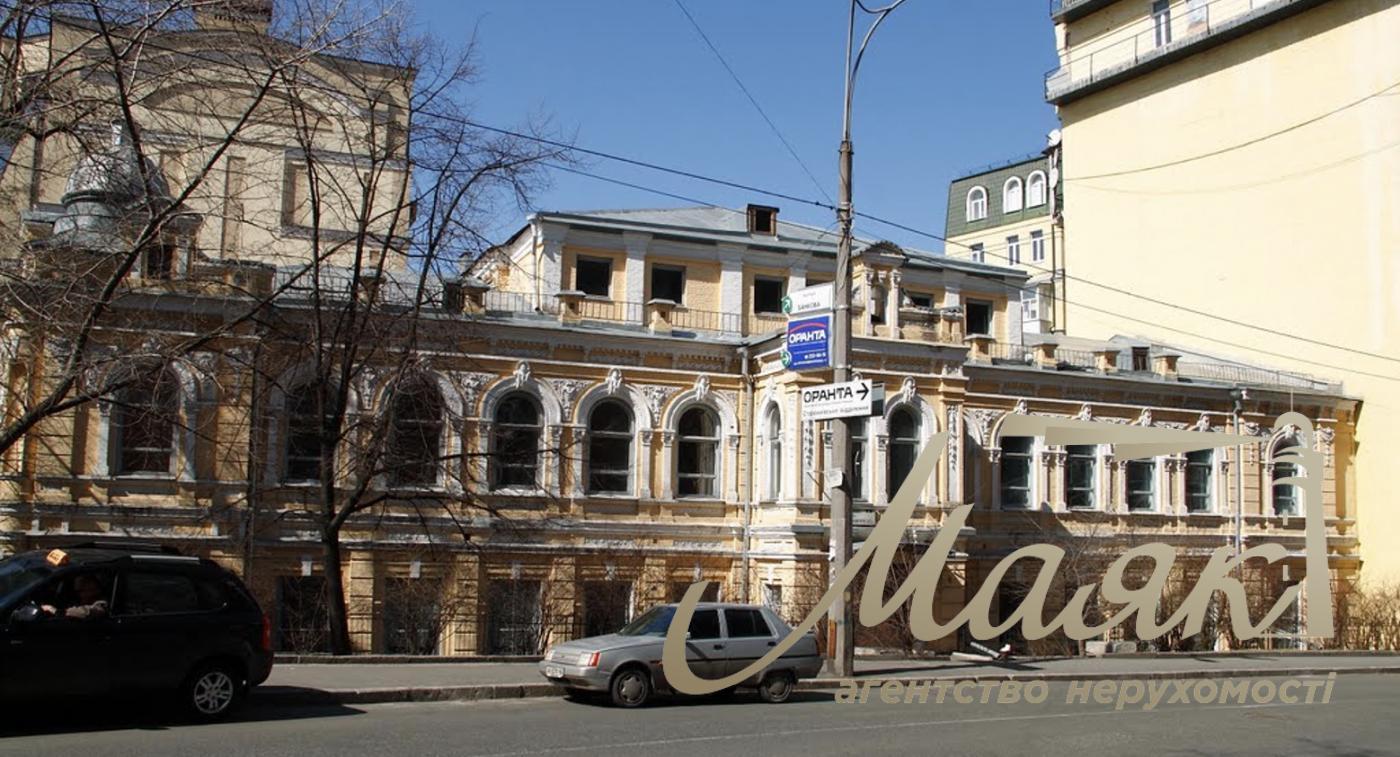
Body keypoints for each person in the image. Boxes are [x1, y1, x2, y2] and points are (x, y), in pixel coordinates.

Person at [39, 574, 109, 620]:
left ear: (95, 590)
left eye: (81, 591)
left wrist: (54, 610)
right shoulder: (74, 598)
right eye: (78, 591)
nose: (80, 594)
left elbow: (87, 612)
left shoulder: (101, 604)